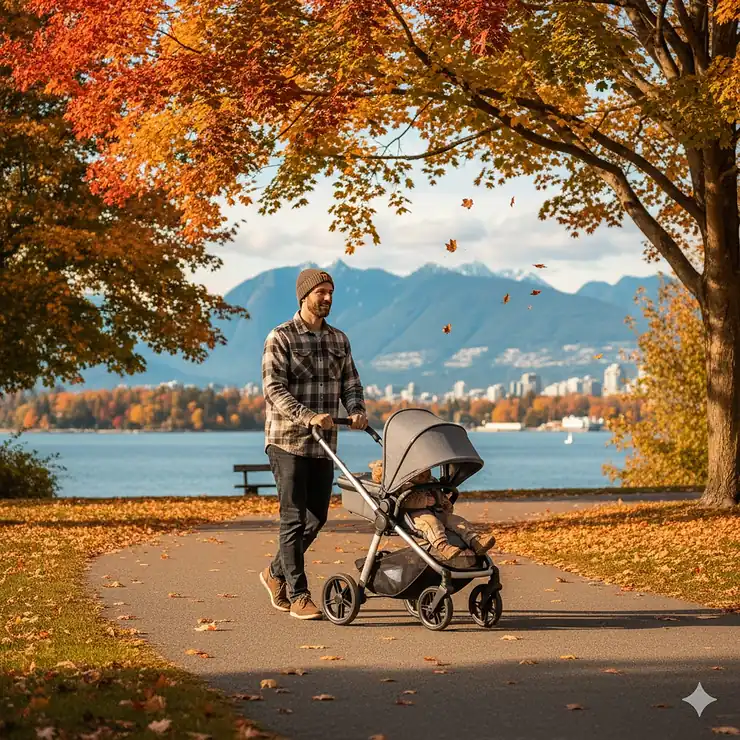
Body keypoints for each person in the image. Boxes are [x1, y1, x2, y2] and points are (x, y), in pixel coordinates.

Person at [260, 268, 367, 620]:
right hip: (287, 440)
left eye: (331, 292)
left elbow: (351, 382)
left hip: (324, 444)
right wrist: (308, 416)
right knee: (292, 518)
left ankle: (274, 572)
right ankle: (298, 594)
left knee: (316, 517)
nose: (327, 298)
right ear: (303, 296)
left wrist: (356, 411)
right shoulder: (281, 337)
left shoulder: (339, 340)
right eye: (321, 292)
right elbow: (274, 389)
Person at [368, 460, 496, 568]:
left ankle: (475, 541)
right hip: (414, 516)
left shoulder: (430, 480)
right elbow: (404, 502)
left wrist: (444, 502)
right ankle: (444, 547)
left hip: (436, 511)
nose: (424, 476)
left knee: (457, 521)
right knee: (432, 523)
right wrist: (423, 501)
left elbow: (438, 493)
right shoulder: (403, 484)